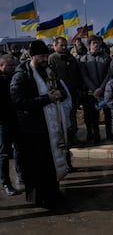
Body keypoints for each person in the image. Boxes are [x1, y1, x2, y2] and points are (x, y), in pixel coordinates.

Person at [10, 40, 71, 209]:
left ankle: (53, 194)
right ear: (32, 57)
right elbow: (18, 101)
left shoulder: (49, 72)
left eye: (46, 56)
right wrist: (46, 99)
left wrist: (60, 94)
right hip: (31, 130)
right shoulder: (22, 75)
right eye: (41, 56)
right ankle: (41, 199)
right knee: (37, 166)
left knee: (50, 164)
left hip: (49, 128)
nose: (45, 60)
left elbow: (64, 92)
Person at [48, 37, 83, 169]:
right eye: (61, 45)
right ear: (55, 45)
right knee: (62, 122)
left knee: (72, 117)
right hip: (60, 97)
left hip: (72, 94)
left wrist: (79, 88)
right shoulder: (52, 58)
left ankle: (73, 137)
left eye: (65, 45)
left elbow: (77, 74)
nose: (64, 47)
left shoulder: (71, 58)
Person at [79, 35, 112, 144]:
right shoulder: (84, 59)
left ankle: (109, 133)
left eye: (98, 43)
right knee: (93, 115)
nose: (96, 45)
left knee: (108, 114)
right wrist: (94, 89)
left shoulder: (107, 58)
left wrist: (101, 88)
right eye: (94, 43)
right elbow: (84, 76)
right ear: (89, 45)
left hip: (105, 90)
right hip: (91, 92)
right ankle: (96, 134)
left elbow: (109, 74)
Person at [0, 54, 21, 196]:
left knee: (19, 149)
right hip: (3, 122)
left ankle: (21, 176)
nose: (13, 68)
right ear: (1, 66)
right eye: (10, 66)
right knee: (4, 154)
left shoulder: (15, 78)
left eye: (14, 65)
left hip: (16, 119)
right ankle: (5, 182)